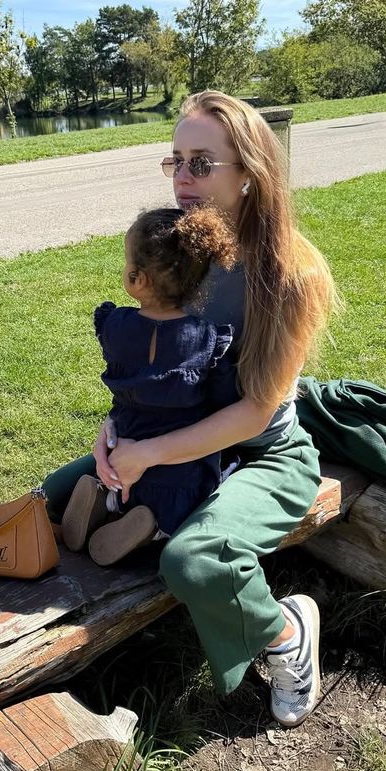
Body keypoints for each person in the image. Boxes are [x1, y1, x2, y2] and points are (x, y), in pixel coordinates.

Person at [43, 90, 339, 727]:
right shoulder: (185, 249)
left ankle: (287, 633)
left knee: (195, 559)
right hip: (172, 435)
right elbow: (156, 367)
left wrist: (145, 453)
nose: (181, 178)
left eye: (201, 163)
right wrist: (116, 429)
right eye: (175, 160)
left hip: (265, 454)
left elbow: (256, 414)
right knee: (56, 496)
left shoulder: (291, 274)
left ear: (251, 176)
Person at [60, 205, 239, 566]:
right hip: (177, 463)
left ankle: (106, 501)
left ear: (137, 280)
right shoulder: (206, 337)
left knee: (118, 484)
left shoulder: (117, 326)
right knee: (198, 489)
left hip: (124, 443)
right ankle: (151, 528)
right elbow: (223, 397)